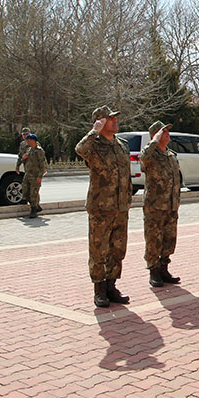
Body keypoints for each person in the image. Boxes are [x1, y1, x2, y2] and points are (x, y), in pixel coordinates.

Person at [75, 106, 132, 307]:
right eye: (110, 119)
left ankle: (111, 286)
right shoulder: (93, 145)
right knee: (99, 249)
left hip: (120, 207)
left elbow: (127, 175)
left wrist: (127, 201)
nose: (115, 121)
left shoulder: (122, 145)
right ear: (100, 122)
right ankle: (99, 289)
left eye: (115, 118)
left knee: (118, 249)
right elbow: (79, 150)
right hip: (101, 207)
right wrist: (94, 131)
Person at [141, 120, 181, 287]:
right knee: (153, 239)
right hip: (155, 206)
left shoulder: (171, 155)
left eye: (167, 131)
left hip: (171, 205)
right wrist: (154, 141)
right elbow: (143, 158)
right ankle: (154, 271)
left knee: (169, 239)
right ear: (155, 135)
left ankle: (164, 268)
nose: (167, 134)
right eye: (163, 132)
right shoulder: (150, 155)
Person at [20, 133, 46, 218]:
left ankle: (34, 210)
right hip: (28, 174)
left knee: (33, 193)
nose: (27, 142)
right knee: (25, 191)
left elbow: (42, 165)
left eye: (28, 140)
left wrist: (40, 176)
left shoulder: (39, 151)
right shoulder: (29, 150)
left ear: (32, 141)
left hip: (35, 175)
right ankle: (37, 206)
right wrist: (23, 158)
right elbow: (26, 162)